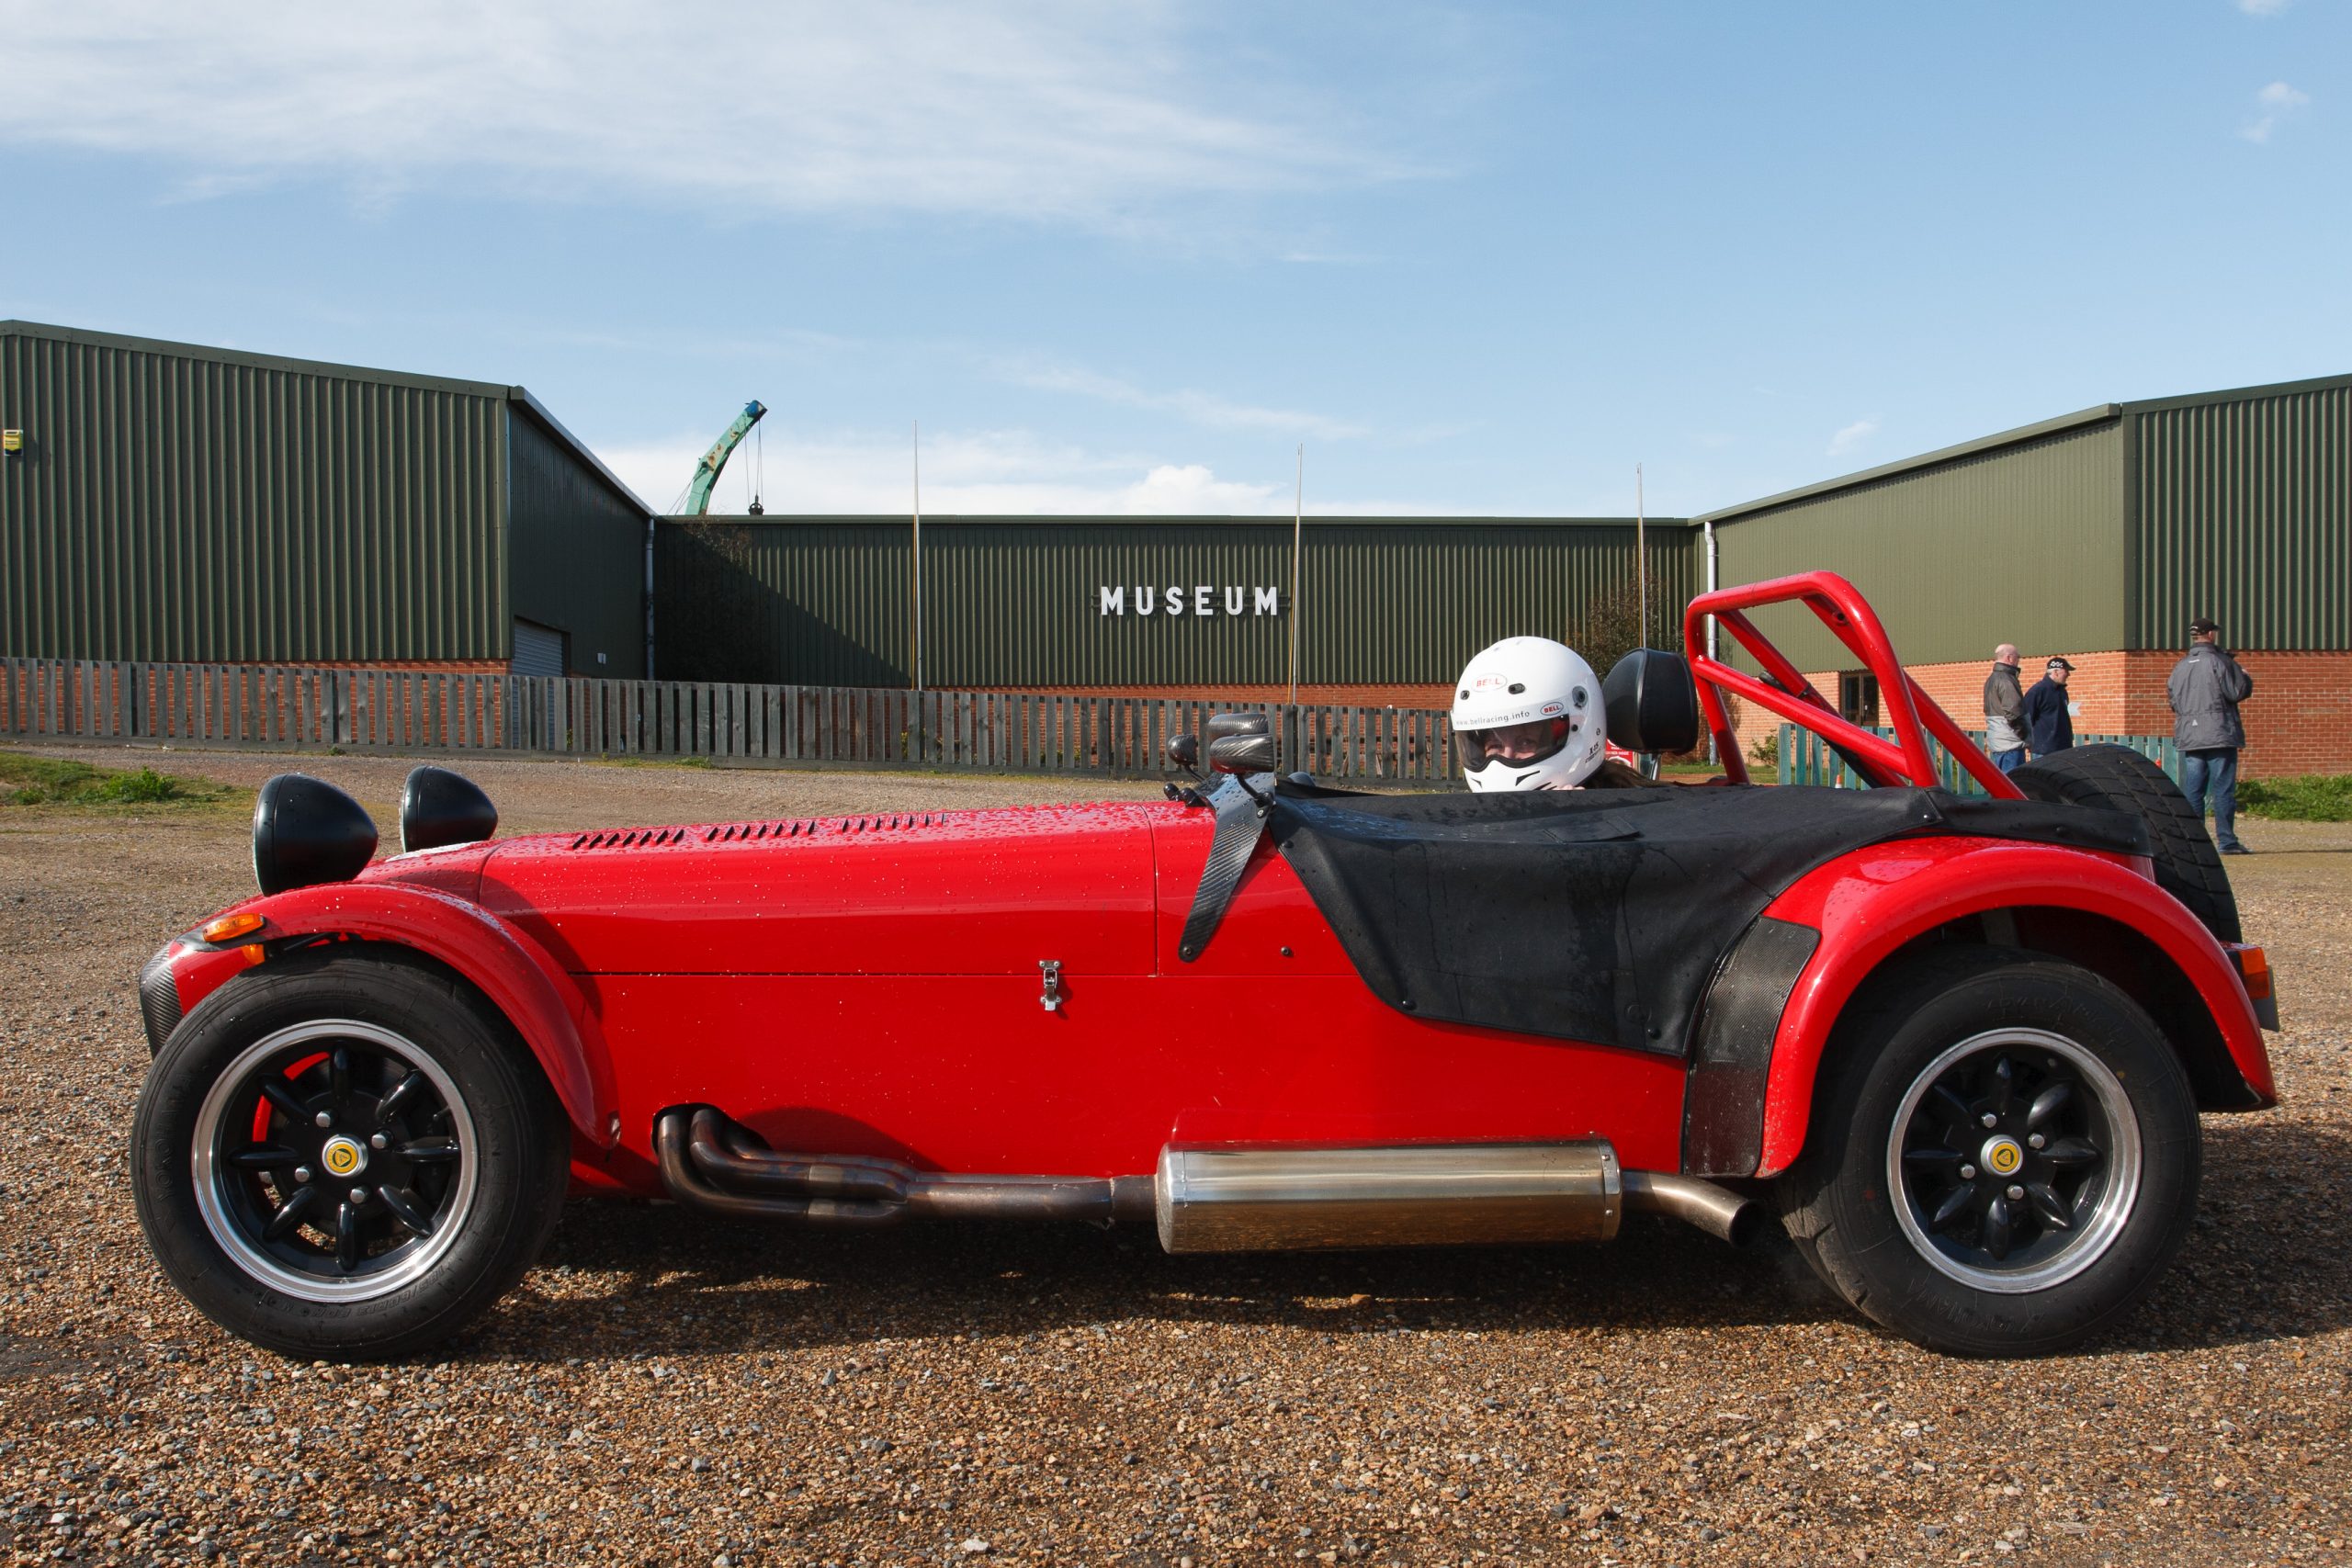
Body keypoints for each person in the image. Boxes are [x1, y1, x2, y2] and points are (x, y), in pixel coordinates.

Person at [1451, 637, 1608, 791]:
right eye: (1495, 746)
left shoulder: (1618, 811)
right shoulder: (1474, 812)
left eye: (1526, 743)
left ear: (1579, 728)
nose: (1507, 756)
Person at [2169, 615, 2255, 856]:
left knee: (2194, 790)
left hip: (2190, 735)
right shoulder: (2220, 661)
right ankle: (2227, 841)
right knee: (2222, 789)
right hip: (2219, 733)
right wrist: (2245, 677)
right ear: (2211, 634)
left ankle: (2195, 843)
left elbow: (2173, 701)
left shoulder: (2180, 666)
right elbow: (2236, 692)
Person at [1983, 643, 2029, 773]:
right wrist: (2024, 735)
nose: (2019, 660)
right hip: (2010, 743)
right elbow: (2013, 712)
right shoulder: (2006, 680)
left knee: (2002, 786)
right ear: (2009, 658)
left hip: (1999, 741)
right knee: (2013, 786)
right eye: (2018, 657)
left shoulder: (1991, 679)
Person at [2023, 656, 2075, 755]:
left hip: (2063, 748)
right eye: (2066, 671)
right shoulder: (2037, 691)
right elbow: (2026, 719)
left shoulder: (2062, 691)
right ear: (2056, 672)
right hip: (2044, 751)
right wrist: (2028, 741)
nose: (2068, 674)